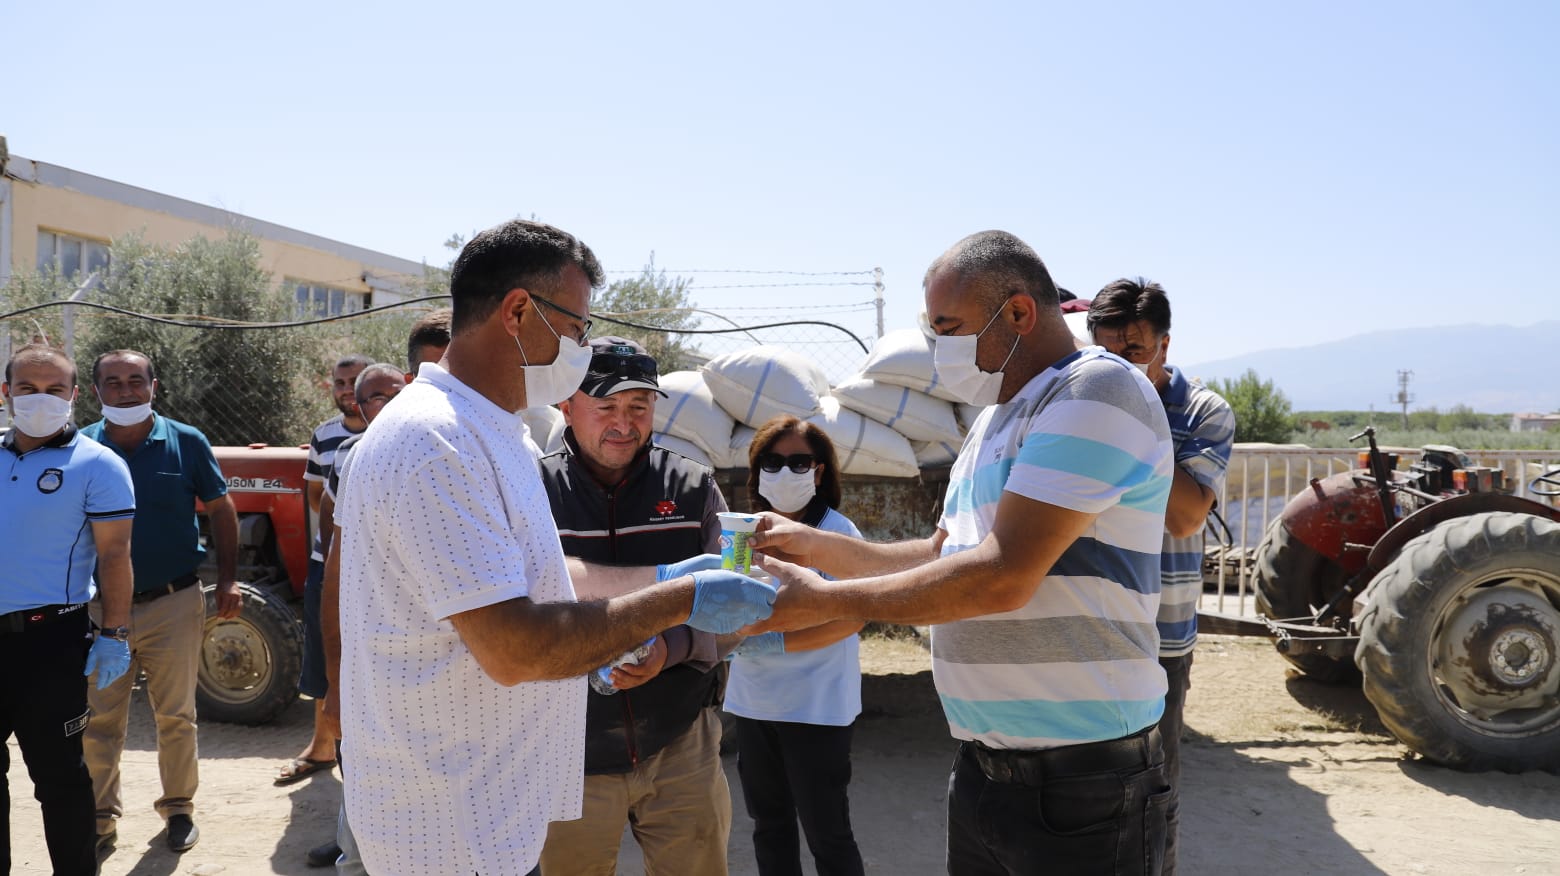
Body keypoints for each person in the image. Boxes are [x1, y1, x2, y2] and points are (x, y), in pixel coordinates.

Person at [332, 219, 775, 876]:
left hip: (488, 818)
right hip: (451, 834)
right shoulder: (436, 443)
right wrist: (678, 598)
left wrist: (658, 578)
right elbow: (516, 649)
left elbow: (531, 580)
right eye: (575, 328)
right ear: (518, 312)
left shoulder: (490, 431)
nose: (581, 347)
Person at [748, 230, 1177, 875]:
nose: (939, 347)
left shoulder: (1094, 393)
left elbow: (1002, 578)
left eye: (949, 327)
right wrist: (816, 546)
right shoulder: (993, 418)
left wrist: (826, 600)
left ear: (1020, 314)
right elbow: (944, 555)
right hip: (985, 768)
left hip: (1082, 778)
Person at [537, 337, 734, 876]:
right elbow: (513, 610)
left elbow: (737, 608)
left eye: (639, 407)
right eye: (606, 407)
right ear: (566, 407)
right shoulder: (532, 492)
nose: (624, 424)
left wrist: (671, 647)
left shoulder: (692, 488)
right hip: (566, 752)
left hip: (680, 743)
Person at [1087, 279, 1236, 876]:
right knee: (1079, 788)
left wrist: (1133, 417)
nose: (1117, 368)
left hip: (1160, 636)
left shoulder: (1202, 411)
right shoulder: (1074, 398)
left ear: (1164, 347)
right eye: (1105, 354)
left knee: (1153, 791)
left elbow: (1184, 516)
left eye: (1134, 353)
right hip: (1087, 624)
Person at [305, 311, 453, 869]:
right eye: (369, 398)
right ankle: (354, 842)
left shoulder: (497, 450)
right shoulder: (352, 460)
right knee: (369, 779)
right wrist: (337, 685)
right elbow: (335, 566)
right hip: (378, 660)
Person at [80, 350, 243, 857]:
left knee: (176, 714)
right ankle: (100, 819)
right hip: (99, 610)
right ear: (95, 392)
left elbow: (222, 510)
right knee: (100, 716)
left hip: (173, 602)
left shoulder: (186, 442)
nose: (126, 390)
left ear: (154, 385)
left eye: (135, 380)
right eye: (114, 382)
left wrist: (230, 580)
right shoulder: (81, 446)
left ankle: (178, 810)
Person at [1, 344, 134, 876]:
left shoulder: (98, 464)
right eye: (28, 388)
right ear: (5, 393)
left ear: (75, 396)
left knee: (59, 777)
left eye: (55, 390)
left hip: (48, 643)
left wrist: (114, 633)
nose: (41, 399)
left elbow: (115, 554)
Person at [725, 415, 868, 876]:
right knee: (769, 827)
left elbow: (853, 617)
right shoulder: (742, 533)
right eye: (773, 461)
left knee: (827, 831)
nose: (785, 472)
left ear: (819, 471)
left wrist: (778, 641)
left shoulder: (837, 533)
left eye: (799, 462)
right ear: (757, 470)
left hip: (816, 708)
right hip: (754, 704)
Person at [278, 354, 371, 786]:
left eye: (356, 382)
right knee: (322, 654)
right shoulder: (324, 436)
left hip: (371, 570)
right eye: (340, 382)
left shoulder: (389, 430)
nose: (347, 389)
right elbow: (317, 497)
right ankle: (320, 748)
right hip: (326, 563)